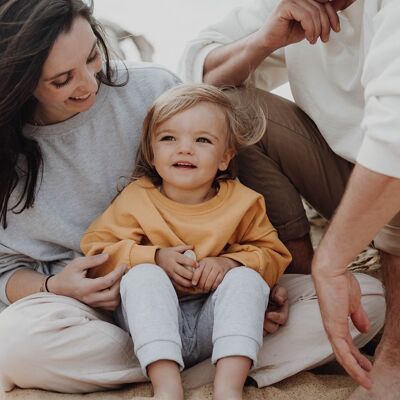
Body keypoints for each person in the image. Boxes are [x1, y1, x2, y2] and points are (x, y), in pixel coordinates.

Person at [0, 0, 303, 394]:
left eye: (93, 55)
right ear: (19, 83)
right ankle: (188, 365)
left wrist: (243, 277)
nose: (90, 84)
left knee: (361, 304)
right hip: (91, 314)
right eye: (62, 80)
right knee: (17, 346)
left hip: (209, 301)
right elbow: (6, 269)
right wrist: (54, 288)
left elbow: (241, 219)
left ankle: (204, 356)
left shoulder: (155, 89)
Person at [180, 0, 399, 398]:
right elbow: (198, 73)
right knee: (232, 107)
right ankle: (302, 283)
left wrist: (333, 262)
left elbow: (395, 140)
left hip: (391, 167)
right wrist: (264, 41)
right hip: (354, 176)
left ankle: (394, 358)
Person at [80, 83, 292, 400]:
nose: (185, 149)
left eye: (202, 140)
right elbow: (96, 251)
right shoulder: (137, 198)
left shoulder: (244, 202)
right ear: (151, 153)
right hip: (148, 324)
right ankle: (167, 387)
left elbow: (273, 255)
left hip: (215, 322)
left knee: (247, 279)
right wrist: (153, 258)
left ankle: (228, 387)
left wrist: (229, 263)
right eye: (169, 138)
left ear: (225, 157)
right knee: (144, 275)